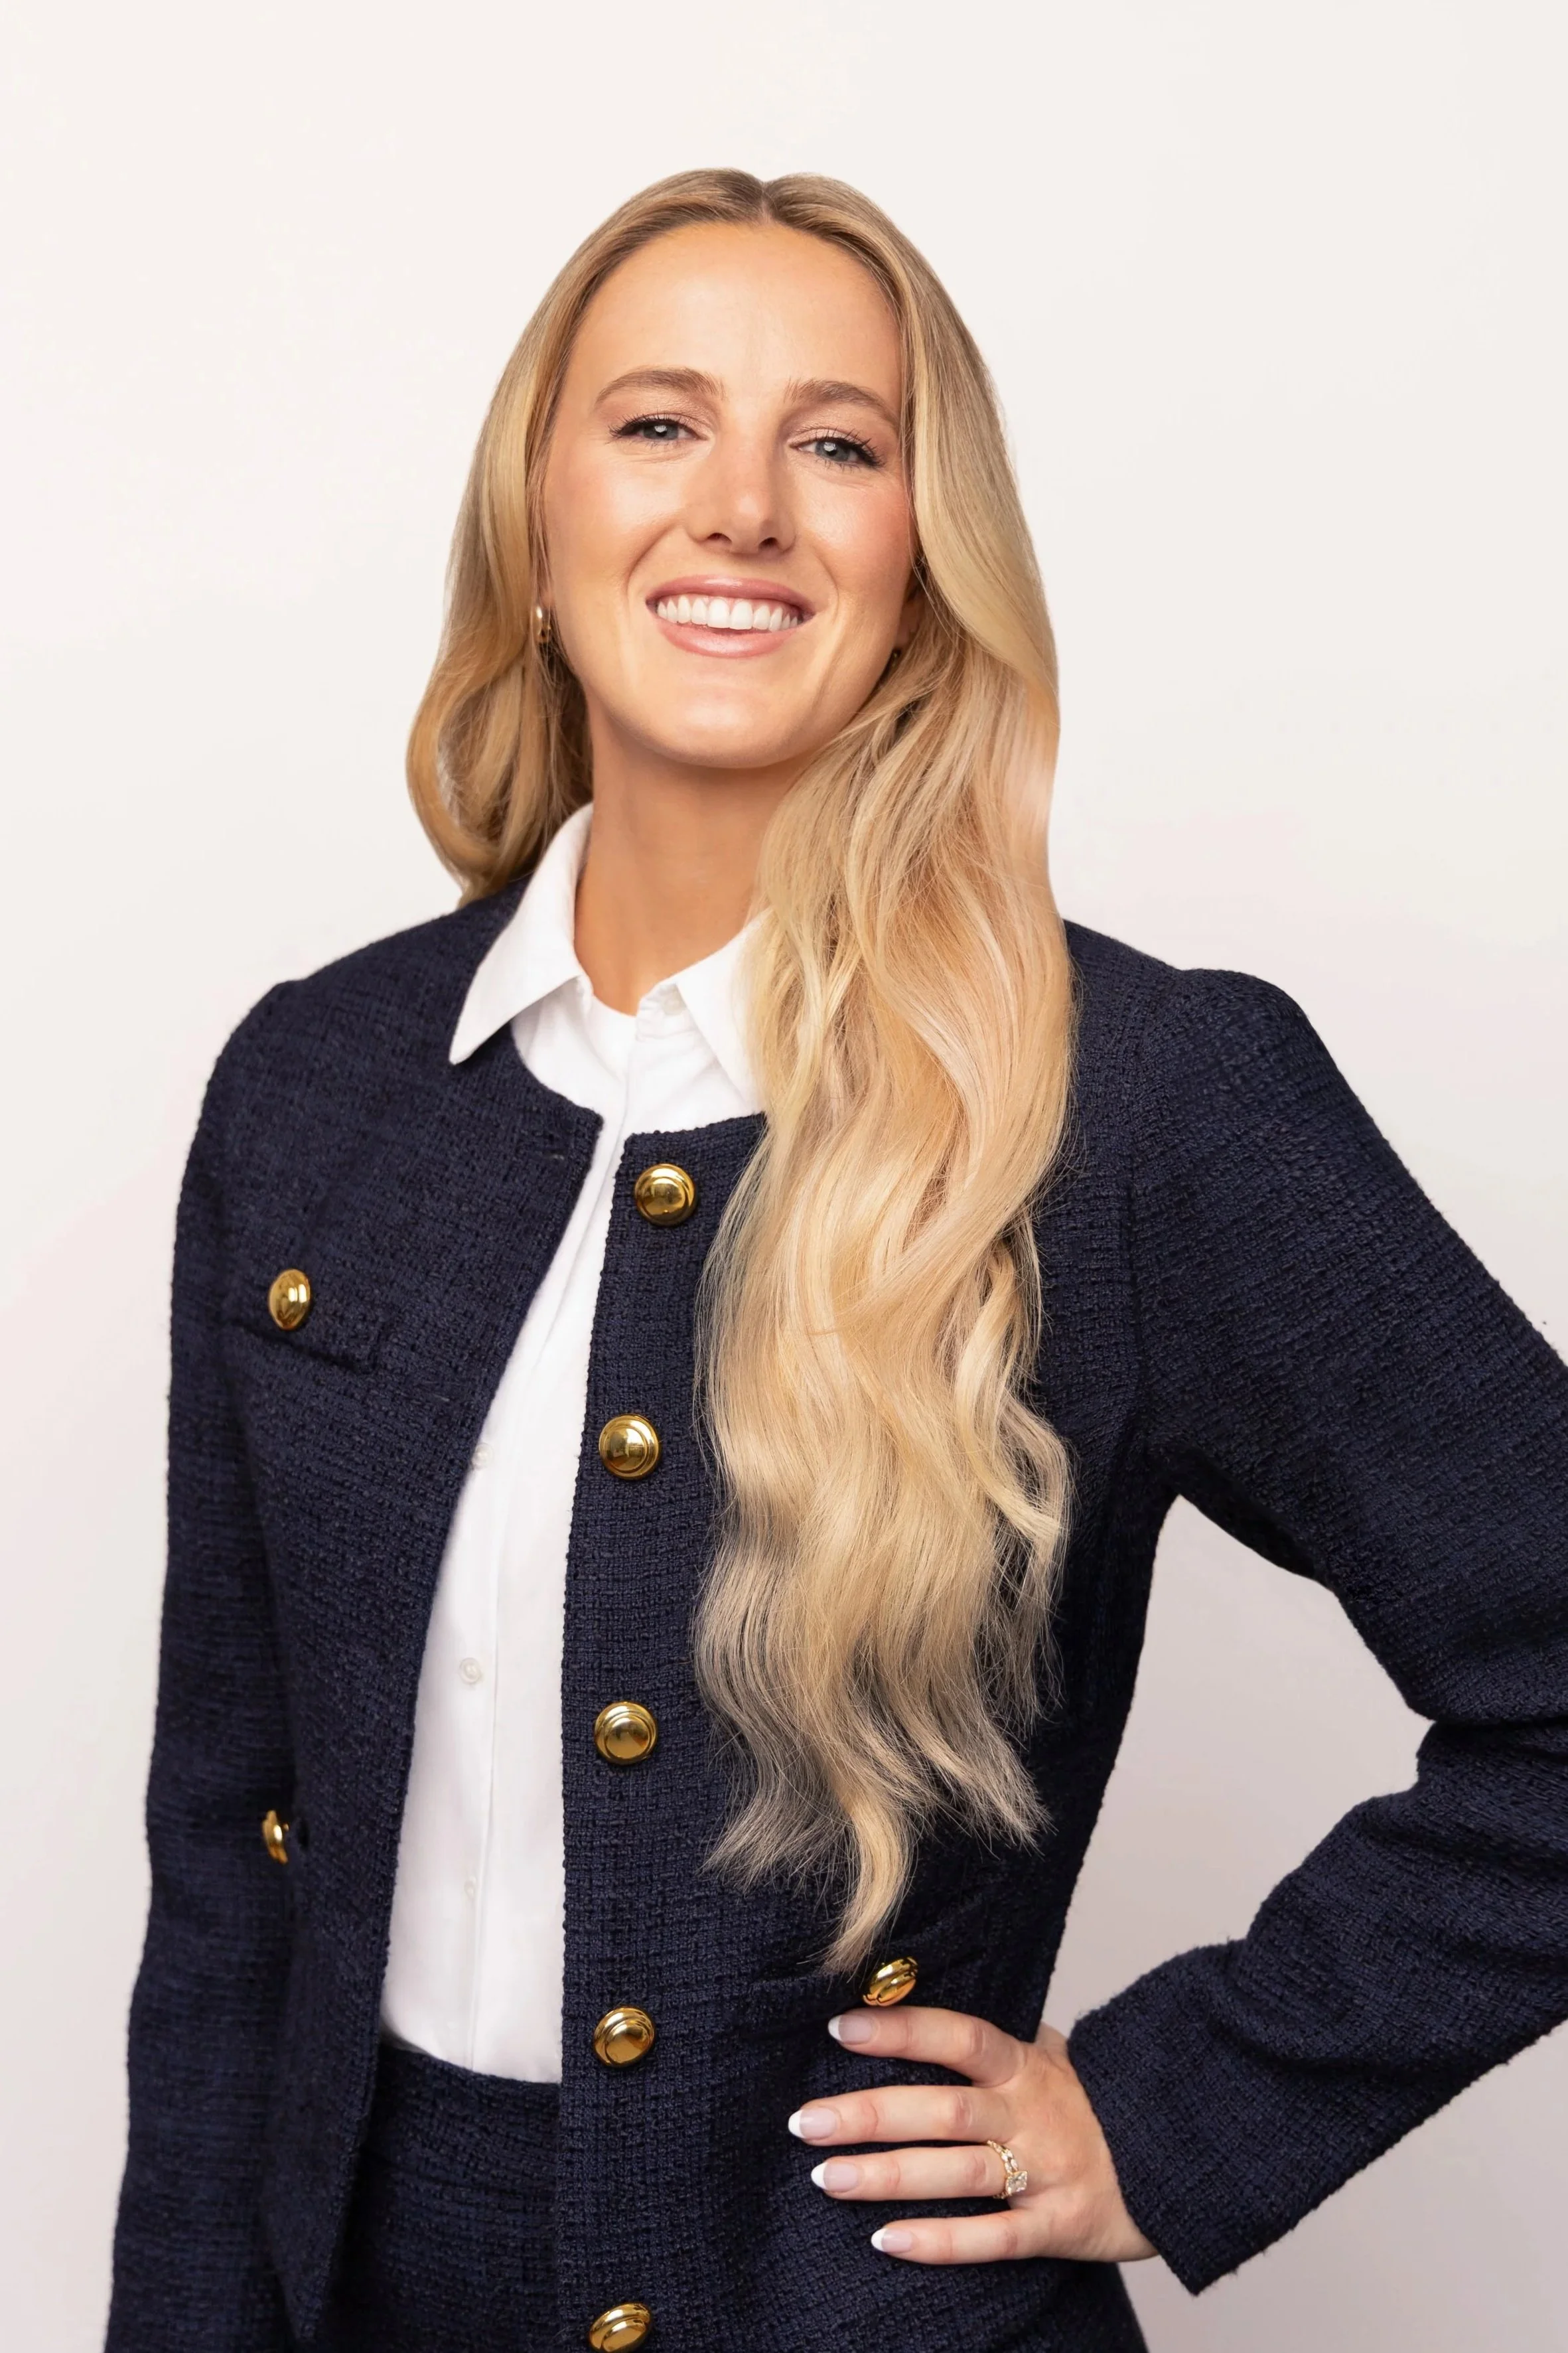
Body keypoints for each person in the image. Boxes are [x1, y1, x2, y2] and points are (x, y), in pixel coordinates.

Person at [106, 169, 1568, 2353]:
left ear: (923, 561)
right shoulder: (318, 1085)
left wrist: (1164, 2122)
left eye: (844, 444)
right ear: (534, 518)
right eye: (661, 423)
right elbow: (232, 1867)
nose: (748, 510)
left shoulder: (1144, 1101)